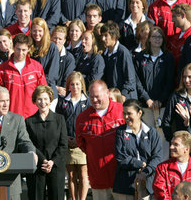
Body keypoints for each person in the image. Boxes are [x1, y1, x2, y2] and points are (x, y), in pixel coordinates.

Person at [75, 80, 125, 199]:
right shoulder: (82, 118)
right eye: (91, 97)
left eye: (97, 96)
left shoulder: (122, 111)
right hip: (98, 177)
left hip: (121, 177)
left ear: (107, 93)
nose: (94, 100)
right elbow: (81, 144)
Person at [113, 99, 163, 199]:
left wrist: (146, 171)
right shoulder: (121, 132)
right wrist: (139, 164)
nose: (126, 117)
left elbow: (157, 157)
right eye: (124, 113)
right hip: (125, 184)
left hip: (147, 183)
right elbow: (120, 157)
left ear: (139, 113)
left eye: (129, 113)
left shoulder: (151, 132)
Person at [25, 85, 67, 200]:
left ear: (50, 100)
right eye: (39, 99)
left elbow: (63, 145)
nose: (42, 102)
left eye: (45, 99)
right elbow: (30, 144)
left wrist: (52, 162)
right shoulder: (29, 122)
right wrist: (43, 160)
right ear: (35, 101)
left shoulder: (60, 119)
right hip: (37, 166)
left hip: (56, 166)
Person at [0, 33, 47, 118]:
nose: (20, 53)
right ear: (13, 47)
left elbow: (43, 92)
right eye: (18, 49)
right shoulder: (2, 69)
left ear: (29, 49)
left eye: (24, 50)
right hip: (10, 116)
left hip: (33, 116)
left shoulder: (37, 67)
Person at [55, 72, 90, 200]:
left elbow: (89, 123)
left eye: (77, 84)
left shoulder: (88, 102)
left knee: (83, 174)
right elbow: (59, 121)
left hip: (83, 144)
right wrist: (66, 138)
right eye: (72, 84)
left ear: (82, 86)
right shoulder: (63, 102)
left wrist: (79, 139)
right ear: (68, 86)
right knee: (71, 175)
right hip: (67, 143)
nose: (75, 87)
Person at [153, 131, 191, 199]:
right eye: (171, 143)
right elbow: (160, 192)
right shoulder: (162, 168)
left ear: (186, 149)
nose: (171, 147)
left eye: (176, 144)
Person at [134, 26, 175, 126]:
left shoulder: (168, 57)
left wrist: (160, 100)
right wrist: (147, 99)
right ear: (149, 39)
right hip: (145, 105)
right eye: (154, 37)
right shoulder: (139, 57)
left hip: (163, 105)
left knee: (162, 136)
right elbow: (137, 80)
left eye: (160, 37)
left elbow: (170, 81)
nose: (157, 39)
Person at [161, 63, 191, 142]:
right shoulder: (176, 96)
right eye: (184, 77)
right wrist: (172, 140)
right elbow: (166, 122)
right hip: (183, 143)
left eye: (190, 77)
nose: (186, 80)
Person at [100, 21, 137, 100]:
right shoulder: (104, 54)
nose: (103, 39)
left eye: (106, 35)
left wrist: (123, 95)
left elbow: (130, 78)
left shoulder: (123, 52)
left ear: (114, 36)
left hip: (125, 100)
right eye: (102, 35)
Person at [29, 18, 60, 93]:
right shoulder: (28, 46)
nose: (37, 34)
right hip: (30, 88)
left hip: (47, 90)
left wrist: (37, 82)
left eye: (40, 31)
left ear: (44, 31)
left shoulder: (52, 47)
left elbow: (52, 74)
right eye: (34, 31)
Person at [51, 25, 76, 97]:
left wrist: (58, 89)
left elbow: (67, 80)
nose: (57, 41)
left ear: (64, 41)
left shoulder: (69, 58)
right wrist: (55, 88)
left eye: (60, 39)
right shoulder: (45, 55)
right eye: (55, 38)